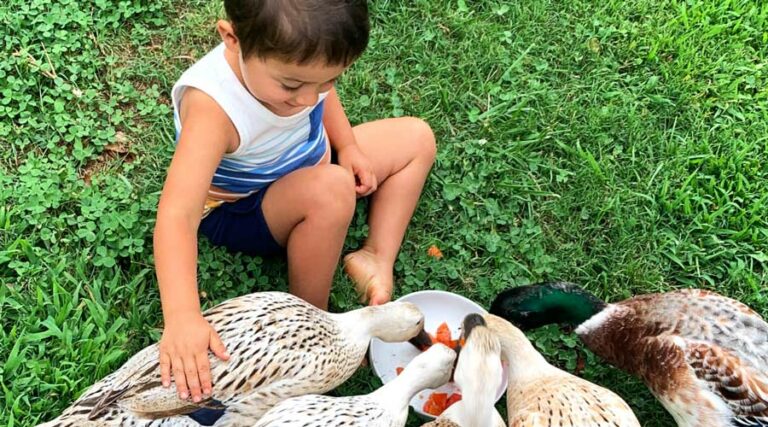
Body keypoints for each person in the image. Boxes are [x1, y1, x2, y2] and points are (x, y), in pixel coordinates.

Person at [153, 0, 437, 408]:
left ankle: (376, 256)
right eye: (291, 86)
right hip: (245, 210)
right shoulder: (213, 109)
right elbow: (176, 216)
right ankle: (313, 328)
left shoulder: (303, 75)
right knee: (332, 191)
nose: (308, 100)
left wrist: (349, 145)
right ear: (232, 39)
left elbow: (322, 100)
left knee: (416, 138)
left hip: (309, 164)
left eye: (328, 80)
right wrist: (182, 317)